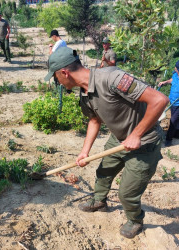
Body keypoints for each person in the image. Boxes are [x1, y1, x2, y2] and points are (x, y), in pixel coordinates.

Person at [44, 47, 168, 239]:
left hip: (145, 142)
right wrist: (84, 152)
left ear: (64, 73)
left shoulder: (112, 78)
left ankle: (135, 220)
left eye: (55, 78)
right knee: (103, 172)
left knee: (127, 193)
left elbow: (159, 100)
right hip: (118, 140)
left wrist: (136, 134)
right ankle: (99, 201)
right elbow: (94, 120)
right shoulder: (85, 93)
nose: (57, 82)